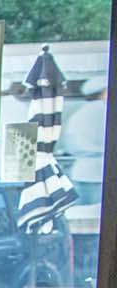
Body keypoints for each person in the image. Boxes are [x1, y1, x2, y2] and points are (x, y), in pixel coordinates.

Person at [65, 76, 107, 205]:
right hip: (98, 173)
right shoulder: (104, 112)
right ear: (104, 93)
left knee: (82, 215)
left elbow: (71, 145)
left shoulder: (78, 114)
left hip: (80, 172)